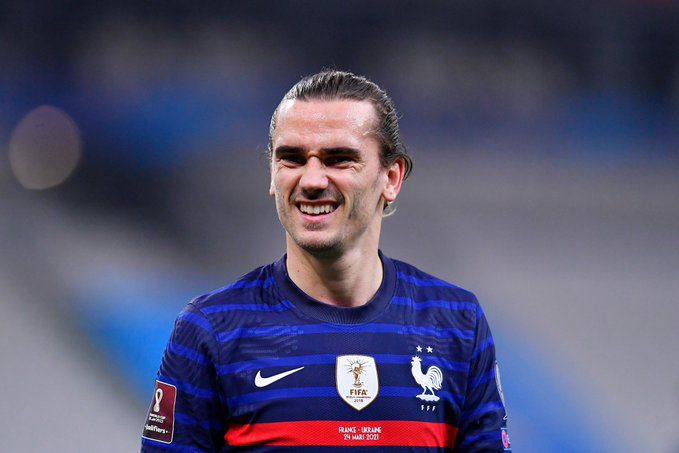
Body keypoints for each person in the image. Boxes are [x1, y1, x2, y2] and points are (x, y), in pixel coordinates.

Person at [141, 70, 510, 452]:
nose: (312, 180)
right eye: (292, 159)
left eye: (339, 159)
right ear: (272, 175)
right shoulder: (211, 329)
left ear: (391, 177)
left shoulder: (457, 322)